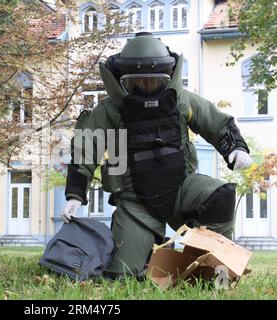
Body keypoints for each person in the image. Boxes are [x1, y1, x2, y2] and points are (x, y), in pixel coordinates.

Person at [61, 32, 252, 279]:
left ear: (167, 77)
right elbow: (85, 150)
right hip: (134, 203)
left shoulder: (181, 101)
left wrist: (235, 147)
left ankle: (212, 266)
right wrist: (75, 195)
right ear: (122, 80)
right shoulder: (109, 111)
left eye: (154, 81)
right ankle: (153, 257)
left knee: (220, 196)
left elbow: (216, 122)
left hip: (181, 190)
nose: (146, 88)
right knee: (124, 275)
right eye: (137, 82)